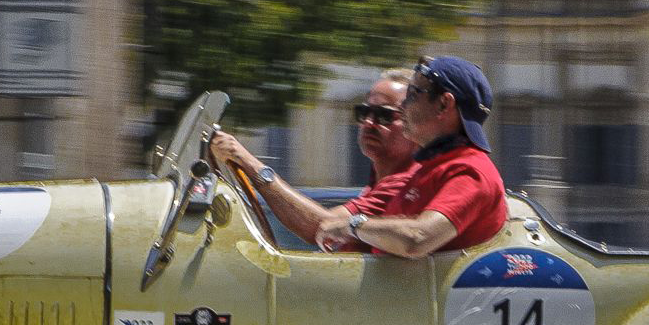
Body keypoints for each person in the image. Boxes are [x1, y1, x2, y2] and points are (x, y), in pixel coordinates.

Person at [309, 55, 508, 258]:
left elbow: (418, 239)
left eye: (413, 94)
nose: (403, 105)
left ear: (443, 104)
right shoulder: (429, 169)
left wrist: (353, 225)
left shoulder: (469, 171)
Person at [209, 68, 418, 248]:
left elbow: (323, 228)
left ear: (415, 123)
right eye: (364, 112)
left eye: (385, 116)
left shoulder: (404, 183)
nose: (369, 123)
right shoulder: (378, 182)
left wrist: (245, 159)